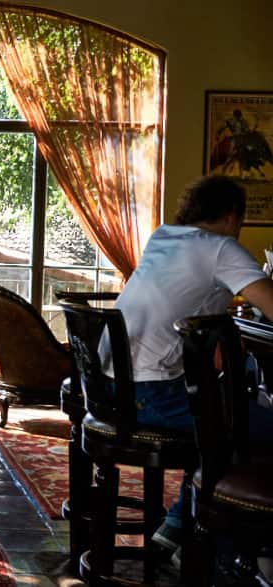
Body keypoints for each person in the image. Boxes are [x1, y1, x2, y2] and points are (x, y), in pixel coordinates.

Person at [111, 174, 273, 563]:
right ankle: (214, 545)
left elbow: (189, 297)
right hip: (151, 394)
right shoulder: (221, 248)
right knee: (247, 429)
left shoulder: (163, 235)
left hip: (112, 388)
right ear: (234, 216)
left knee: (222, 415)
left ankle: (181, 527)